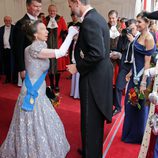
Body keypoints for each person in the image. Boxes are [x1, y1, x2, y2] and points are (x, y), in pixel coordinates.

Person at [0, 20, 78, 158]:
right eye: (43, 29)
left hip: (39, 89)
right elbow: (60, 52)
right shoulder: (34, 49)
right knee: (33, 125)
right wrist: (71, 34)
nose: (47, 31)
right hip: (32, 93)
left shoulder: (37, 47)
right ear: (35, 34)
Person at [67, 0, 113, 158]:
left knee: (90, 120)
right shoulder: (97, 17)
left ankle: (91, 154)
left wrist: (77, 67)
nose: (70, 8)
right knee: (93, 120)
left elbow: (97, 53)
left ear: (77, 2)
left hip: (93, 79)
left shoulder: (90, 21)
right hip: (99, 76)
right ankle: (90, 150)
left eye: (70, 5)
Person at [122, 12, 156, 144]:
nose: (136, 24)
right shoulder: (139, 35)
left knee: (140, 107)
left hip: (143, 78)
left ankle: (138, 136)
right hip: (134, 76)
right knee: (130, 104)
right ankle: (129, 133)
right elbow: (136, 58)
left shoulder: (149, 38)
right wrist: (131, 72)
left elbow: (147, 62)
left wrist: (142, 83)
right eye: (136, 21)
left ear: (147, 23)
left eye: (139, 22)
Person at [113, 19, 139, 116]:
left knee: (133, 89)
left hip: (135, 67)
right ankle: (118, 107)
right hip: (125, 65)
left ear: (136, 27)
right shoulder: (125, 36)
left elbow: (140, 52)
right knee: (118, 86)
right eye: (129, 29)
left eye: (132, 29)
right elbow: (120, 49)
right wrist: (122, 37)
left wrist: (133, 42)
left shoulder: (139, 38)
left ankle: (133, 109)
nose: (130, 31)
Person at [13, 0, 42, 80]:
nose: (38, 9)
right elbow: (18, 48)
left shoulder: (40, 22)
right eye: (35, 6)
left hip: (40, 63)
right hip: (28, 65)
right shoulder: (21, 24)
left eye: (40, 6)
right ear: (28, 6)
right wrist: (22, 68)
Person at [46, 4, 68, 93]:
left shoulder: (61, 19)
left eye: (54, 11)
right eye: (51, 11)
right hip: (48, 46)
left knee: (58, 66)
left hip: (58, 46)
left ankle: (57, 84)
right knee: (50, 66)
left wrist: (63, 34)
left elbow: (65, 31)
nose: (52, 12)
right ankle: (51, 83)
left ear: (56, 11)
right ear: (48, 11)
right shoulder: (45, 20)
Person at [0, 16, 16, 84]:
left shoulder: (15, 28)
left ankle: (15, 79)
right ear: (4, 21)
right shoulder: (1, 29)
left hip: (12, 50)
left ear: (11, 21)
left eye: (9, 20)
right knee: (6, 65)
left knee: (14, 64)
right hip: (4, 50)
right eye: (6, 20)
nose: (8, 22)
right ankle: (8, 79)